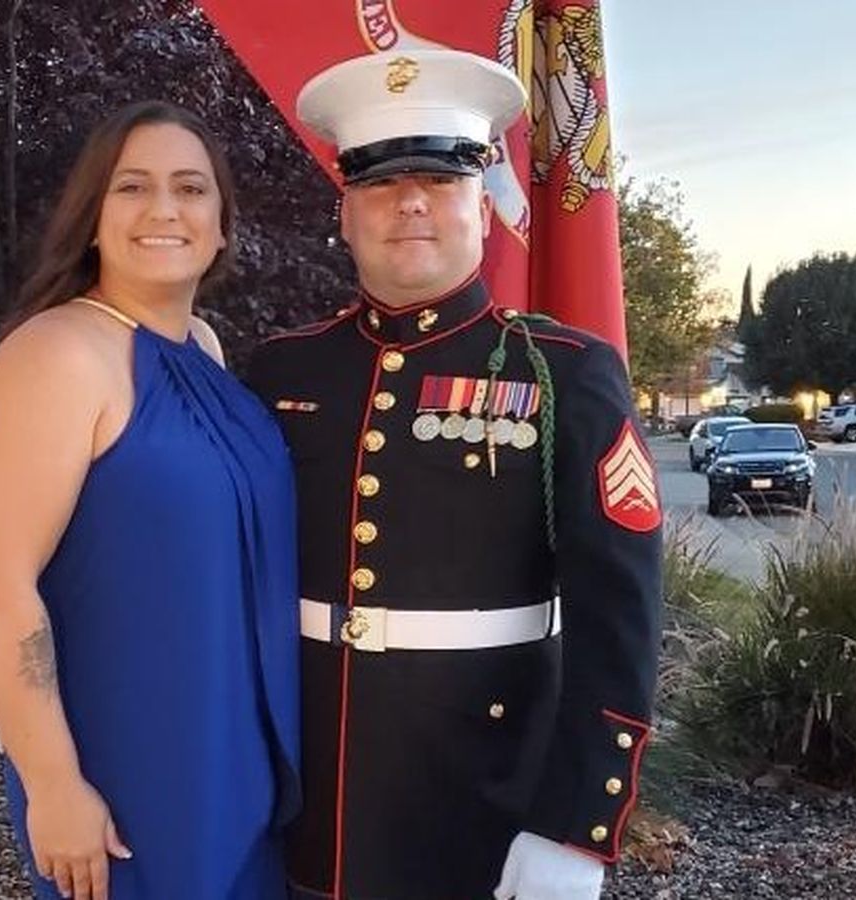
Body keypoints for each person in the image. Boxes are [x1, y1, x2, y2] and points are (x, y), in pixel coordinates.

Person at [246, 50, 663, 900]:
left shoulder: (566, 372)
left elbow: (618, 614)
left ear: (483, 202)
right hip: (304, 794)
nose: (410, 202)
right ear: (345, 212)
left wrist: (579, 826)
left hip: (489, 799)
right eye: (379, 181)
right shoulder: (281, 371)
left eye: (440, 178)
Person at [0, 100, 300, 900]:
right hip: (127, 769)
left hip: (234, 754)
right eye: (132, 187)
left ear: (222, 225)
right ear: (92, 218)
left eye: (191, 188)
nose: (165, 210)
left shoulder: (202, 347)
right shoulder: (56, 353)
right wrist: (53, 785)